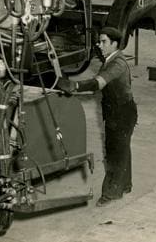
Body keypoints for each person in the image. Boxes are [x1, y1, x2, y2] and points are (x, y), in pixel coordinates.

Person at [55, 26, 138, 207]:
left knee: (114, 152)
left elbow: (98, 83)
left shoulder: (117, 63)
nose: (99, 45)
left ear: (115, 44)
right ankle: (124, 185)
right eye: (99, 41)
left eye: (103, 42)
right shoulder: (111, 59)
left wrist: (75, 87)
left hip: (121, 113)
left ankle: (111, 193)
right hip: (118, 110)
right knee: (122, 149)